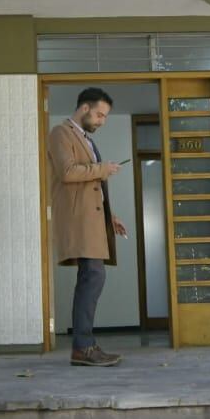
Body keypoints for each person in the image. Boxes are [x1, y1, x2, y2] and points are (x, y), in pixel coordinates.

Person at [47, 87, 129, 367]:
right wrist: (103, 169)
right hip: (77, 220)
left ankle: (85, 346)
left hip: (92, 220)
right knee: (93, 275)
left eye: (105, 117)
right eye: (99, 115)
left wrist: (110, 215)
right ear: (84, 108)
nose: (102, 121)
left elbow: (93, 188)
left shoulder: (86, 140)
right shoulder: (61, 133)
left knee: (93, 276)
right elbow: (67, 172)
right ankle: (83, 347)